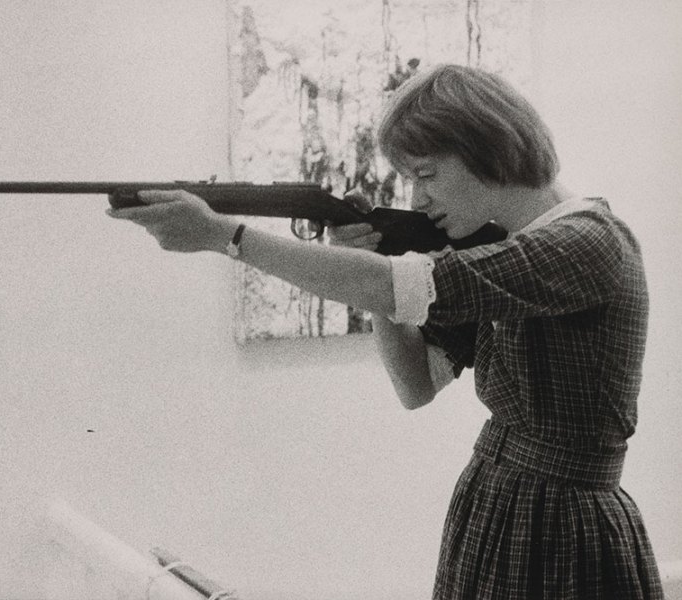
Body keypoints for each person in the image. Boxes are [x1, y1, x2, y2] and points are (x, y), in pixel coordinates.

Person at [106, 64, 663, 599]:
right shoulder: (506, 245)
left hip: (562, 527)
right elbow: (415, 385)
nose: (418, 199)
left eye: (427, 174)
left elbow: (397, 286)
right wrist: (376, 272)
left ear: (485, 149)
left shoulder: (588, 243)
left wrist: (228, 236)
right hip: (499, 505)